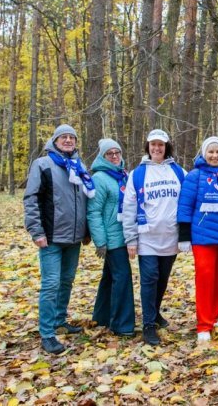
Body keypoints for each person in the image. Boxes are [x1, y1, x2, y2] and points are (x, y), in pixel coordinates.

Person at [24, 124, 94, 354]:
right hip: (51, 237)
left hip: (73, 238)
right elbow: (31, 198)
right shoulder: (43, 165)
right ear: (54, 141)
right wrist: (36, 231)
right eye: (63, 137)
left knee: (66, 281)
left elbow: (85, 199)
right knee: (51, 284)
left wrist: (86, 231)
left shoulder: (79, 166)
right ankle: (47, 333)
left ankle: (59, 320)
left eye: (71, 137)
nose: (67, 140)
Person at [122, 129, 186, 345]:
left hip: (171, 238)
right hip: (147, 238)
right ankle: (148, 325)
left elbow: (186, 205)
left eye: (161, 145)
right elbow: (129, 208)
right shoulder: (137, 174)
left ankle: (155, 313)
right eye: (153, 145)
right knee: (149, 279)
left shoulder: (179, 172)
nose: (156, 148)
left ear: (167, 147)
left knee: (162, 279)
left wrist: (186, 236)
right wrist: (131, 239)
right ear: (147, 147)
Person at [177, 137, 218, 343]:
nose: (214, 156)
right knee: (205, 279)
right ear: (204, 153)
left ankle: (212, 318)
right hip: (203, 238)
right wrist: (184, 235)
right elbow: (185, 206)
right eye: (211, 152)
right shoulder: (195, 176)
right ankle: (203, 325)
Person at [87, 138, 135, 337]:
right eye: (110, 154)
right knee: (122, 277)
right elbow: (94, 211)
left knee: (110, 277)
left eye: (117, 153)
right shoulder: (99, 178)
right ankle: (122, 325)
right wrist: (100, 241)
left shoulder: (123, 175)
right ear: (102, 156)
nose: (114, 156)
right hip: (112, 238)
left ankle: (102, 316)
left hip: (125, 234)